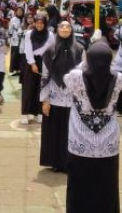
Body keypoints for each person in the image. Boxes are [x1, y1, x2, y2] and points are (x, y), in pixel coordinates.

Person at [65, 41, 122, 213]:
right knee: (106, 186)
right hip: (108, 145)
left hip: (80, 143)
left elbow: (67, 78)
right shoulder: (119, 79)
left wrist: (85, 59)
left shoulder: (75, 77)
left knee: (80, 186)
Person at [40, 20, 84, 172]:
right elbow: (45, 75)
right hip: (54, 96)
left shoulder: (79, 49)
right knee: (55, 131)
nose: (65, 28)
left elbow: (83, 75)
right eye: (62, 26)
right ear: (57, 30)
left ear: (71, 30)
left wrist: (82, 98)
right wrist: (45, 100)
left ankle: (69, 162)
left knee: (71, 131)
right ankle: (56, 163)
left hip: (73, 98)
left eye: (68, 26)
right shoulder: (50, 49)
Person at [21, 15, 54, 125]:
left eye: (42, 23)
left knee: (42, 88)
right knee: (28, 88)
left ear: (45, 24)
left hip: (44, 62)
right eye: (37, 22)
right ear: (34, 23)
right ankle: (25, 113)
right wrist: (32, 63)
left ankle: (39, 113)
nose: (39, 25)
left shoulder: (50, 35)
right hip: (31, 62)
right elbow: (28, 48)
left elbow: (52, 50)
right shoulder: (29, 34)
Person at [18, 12, 35, 85]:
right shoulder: (22, 26)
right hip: (23, 49)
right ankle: (23, 81)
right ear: (26, 19)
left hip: (32, 50)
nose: (30, 19)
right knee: (23, 66)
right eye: (28, 18)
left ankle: (29, 81)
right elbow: (19, 34)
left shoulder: (35, 26)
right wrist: (27, 30)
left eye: (31, 17)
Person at [8, 6, 25, 76]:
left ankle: (20, 69)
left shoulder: (24, 19)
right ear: (16, 12)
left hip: (23, 40)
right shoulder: (13, 20)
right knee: (14, 55)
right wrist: (9, 39)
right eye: (18, 11)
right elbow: (10, 30)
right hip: (15, 40)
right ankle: (13, 69)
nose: (20, 12)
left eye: (21, 11)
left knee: (21, 55)